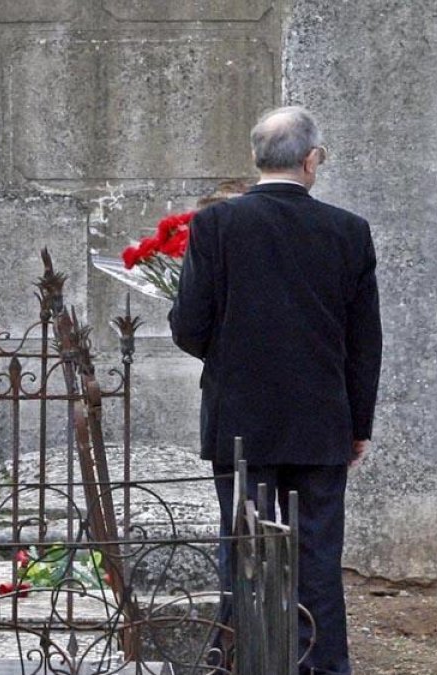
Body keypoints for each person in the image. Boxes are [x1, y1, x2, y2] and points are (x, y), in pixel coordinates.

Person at [169, 105, 381, 675]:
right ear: (311, 161)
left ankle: (241, 660)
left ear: (255, 158)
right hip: (320, 420)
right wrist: (358, 423)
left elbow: (189, 326)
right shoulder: (348, 231)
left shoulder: (216, 226)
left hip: (241, 418)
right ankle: (321, 664)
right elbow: (364, 341)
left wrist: (232, 360)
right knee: (317, 555)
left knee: (245, 548)